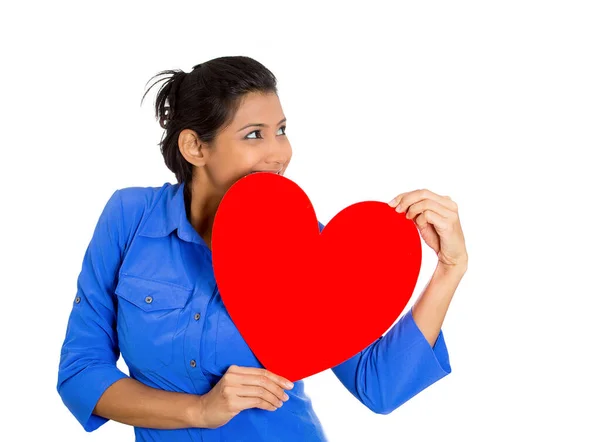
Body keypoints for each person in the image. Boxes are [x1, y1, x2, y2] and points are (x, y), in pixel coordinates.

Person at [56, 55, 468, 442]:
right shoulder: (130, 218)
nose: (280, 153)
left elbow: (379, 386)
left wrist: (450, 268)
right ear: (195, 147)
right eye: (254, 135)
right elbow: (81, 373)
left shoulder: (311, 251)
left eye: (282, 130)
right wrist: (199, 410)